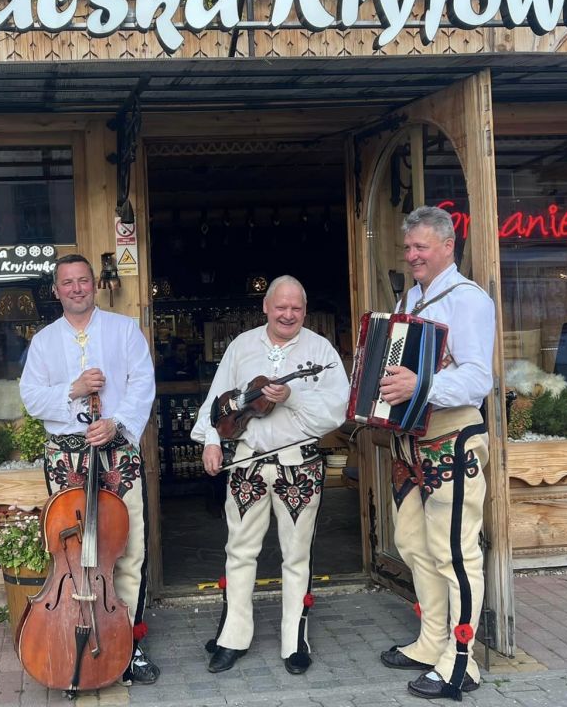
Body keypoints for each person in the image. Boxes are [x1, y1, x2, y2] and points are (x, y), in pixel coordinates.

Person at [192, 276, 350, 676]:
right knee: (239, 550)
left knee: (297, 555)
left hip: (299, 463)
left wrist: (293, 396)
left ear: (305, 310)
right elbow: (217, 401)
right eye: (281, 307)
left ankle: (295, 641)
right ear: (266, 307)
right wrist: (212, 441)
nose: (288, 315)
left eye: (296, 308)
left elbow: (337, 409)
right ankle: (233, 637)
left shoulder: (321, 350)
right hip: (247, 461)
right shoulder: (241, 345)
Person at [19, 254, 160, 686]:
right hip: (66, 458)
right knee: (74, 554)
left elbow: (143, 383)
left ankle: (128, 643)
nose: (76, 288)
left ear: (94, 284)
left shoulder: (123, 330)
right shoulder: (43, 341)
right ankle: (71, 634)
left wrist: (117, 423)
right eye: (68, 282)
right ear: (56, 290)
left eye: (83, 280)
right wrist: (73, 390)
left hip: (117, 452)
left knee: (129, 549)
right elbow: (30, 398)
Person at [376, 206, 495, 701]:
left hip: (451, 437)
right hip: (409, 441)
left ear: (448, 246)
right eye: (408, 247)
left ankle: (461, 661)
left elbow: (478, 379)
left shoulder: (470, 299)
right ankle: (431, 642)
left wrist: (419, 386)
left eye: (421, 247)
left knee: (455, 553)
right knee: (413, 545)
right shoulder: (409, 298)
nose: (412, 255)